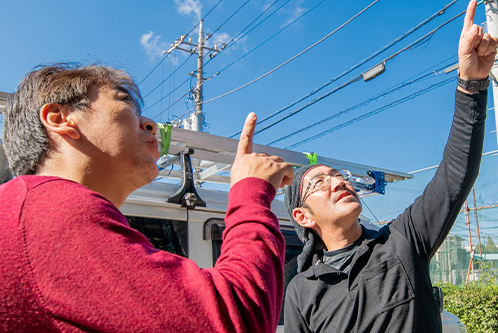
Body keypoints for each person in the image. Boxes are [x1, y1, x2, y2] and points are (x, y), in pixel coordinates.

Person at [0, 63, 293, 332]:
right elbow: (235, 320)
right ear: (60, 119)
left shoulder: (29, 209)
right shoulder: (50, 211)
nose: (150, 123)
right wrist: (252, 188)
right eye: (124, 101)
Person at [283, 0, 498, 332]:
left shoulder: (401, 241)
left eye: (338, 176)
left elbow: (455, 175)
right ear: (303, 216)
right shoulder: (301, 291)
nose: (338, 182)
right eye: (320, 182)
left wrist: (471, 85)